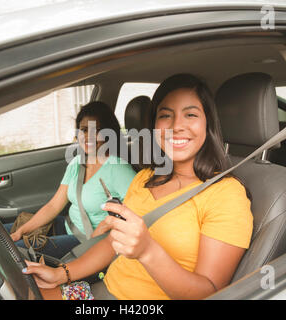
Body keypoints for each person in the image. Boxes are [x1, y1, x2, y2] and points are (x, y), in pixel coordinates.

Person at [22, 74, 253, 300]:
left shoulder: (226, 195)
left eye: (190, 114)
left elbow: (210, 293)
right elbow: (113, 241)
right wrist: (60, 274)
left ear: (208, 123)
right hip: (100, 291)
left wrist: (147, 251)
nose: (176, 126)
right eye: (165, 116)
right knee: (23, 293)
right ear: (154, 125)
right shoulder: (145, 178)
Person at [5, 101, 136, 258]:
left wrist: (105, 227)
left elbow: (137, 211)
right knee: (2, 232)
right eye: (84, 130)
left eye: (97, 130)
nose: (88, 136)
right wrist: (22, 230)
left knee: (16, 251)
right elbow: (54, 206)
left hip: (90, 240)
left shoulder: (118, 168)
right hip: (68, 226)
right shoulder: (77, 163)